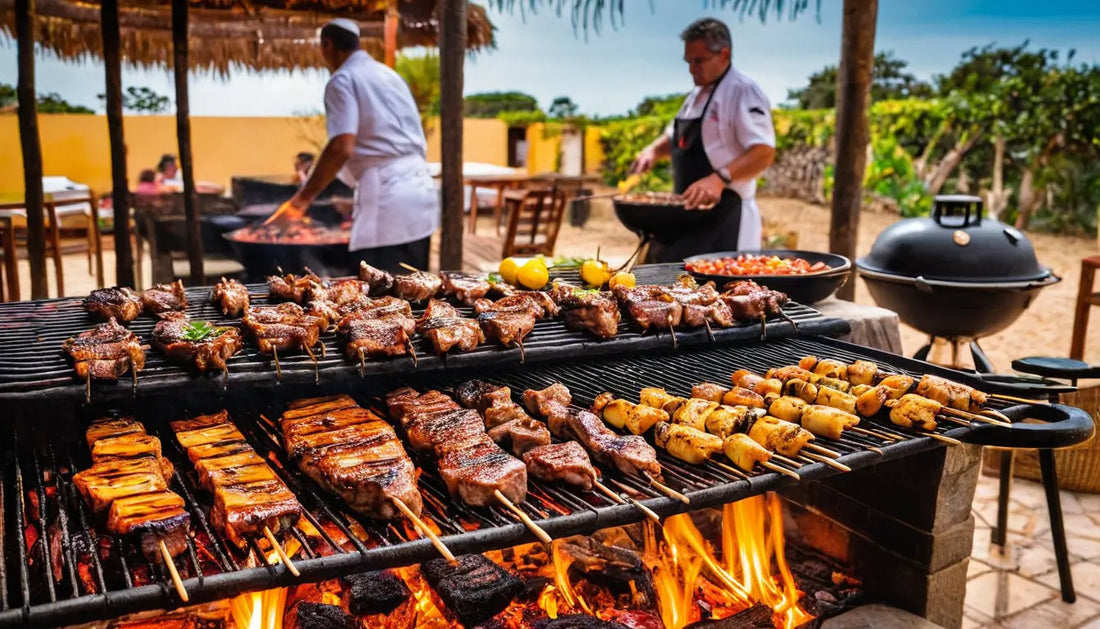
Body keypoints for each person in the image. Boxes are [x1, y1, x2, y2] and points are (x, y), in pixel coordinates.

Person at [266, 18, 439, 273]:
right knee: (414, 293)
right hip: (420, 199)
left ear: (327, 45)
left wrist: (300, 202)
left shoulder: (343, 79)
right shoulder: (389, 76)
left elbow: (341, 147)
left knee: (380, 301)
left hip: (388, 206)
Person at [630, 17, 776, 262]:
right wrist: (652, 151)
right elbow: (675, 138)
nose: (692, 69)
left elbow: (764, 152)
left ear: (724, 55)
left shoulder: (742, 91)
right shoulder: (695, 96)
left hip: (727, 217)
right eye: (689, 61)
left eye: (699, 61)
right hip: (689, 218)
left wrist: (718, 180)